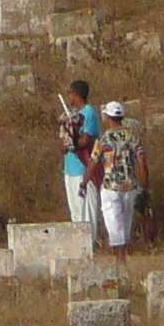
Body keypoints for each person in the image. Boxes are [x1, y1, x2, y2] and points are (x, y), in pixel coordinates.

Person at [93, 100, 146, 251]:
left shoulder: (103, 140)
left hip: (110, 186)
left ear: (108, 118)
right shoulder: (133, 138)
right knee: (125, 224)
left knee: (114, 227)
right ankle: (125, 257)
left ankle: (120, 261)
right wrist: (145, 186)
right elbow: (142, 162)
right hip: (130, 186)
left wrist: (84, 182)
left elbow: (93, 162)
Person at [58, 80, 105, 240]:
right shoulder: (71, 114)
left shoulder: (89, 113)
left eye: (70, 92)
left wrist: (71, 144)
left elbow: (86, 139)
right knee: (76, 212)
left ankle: (89, 245)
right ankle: (79, 246)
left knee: (87, 211)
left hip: (84, 169)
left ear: (76, 94)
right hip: (70, 169)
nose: (68, 96)